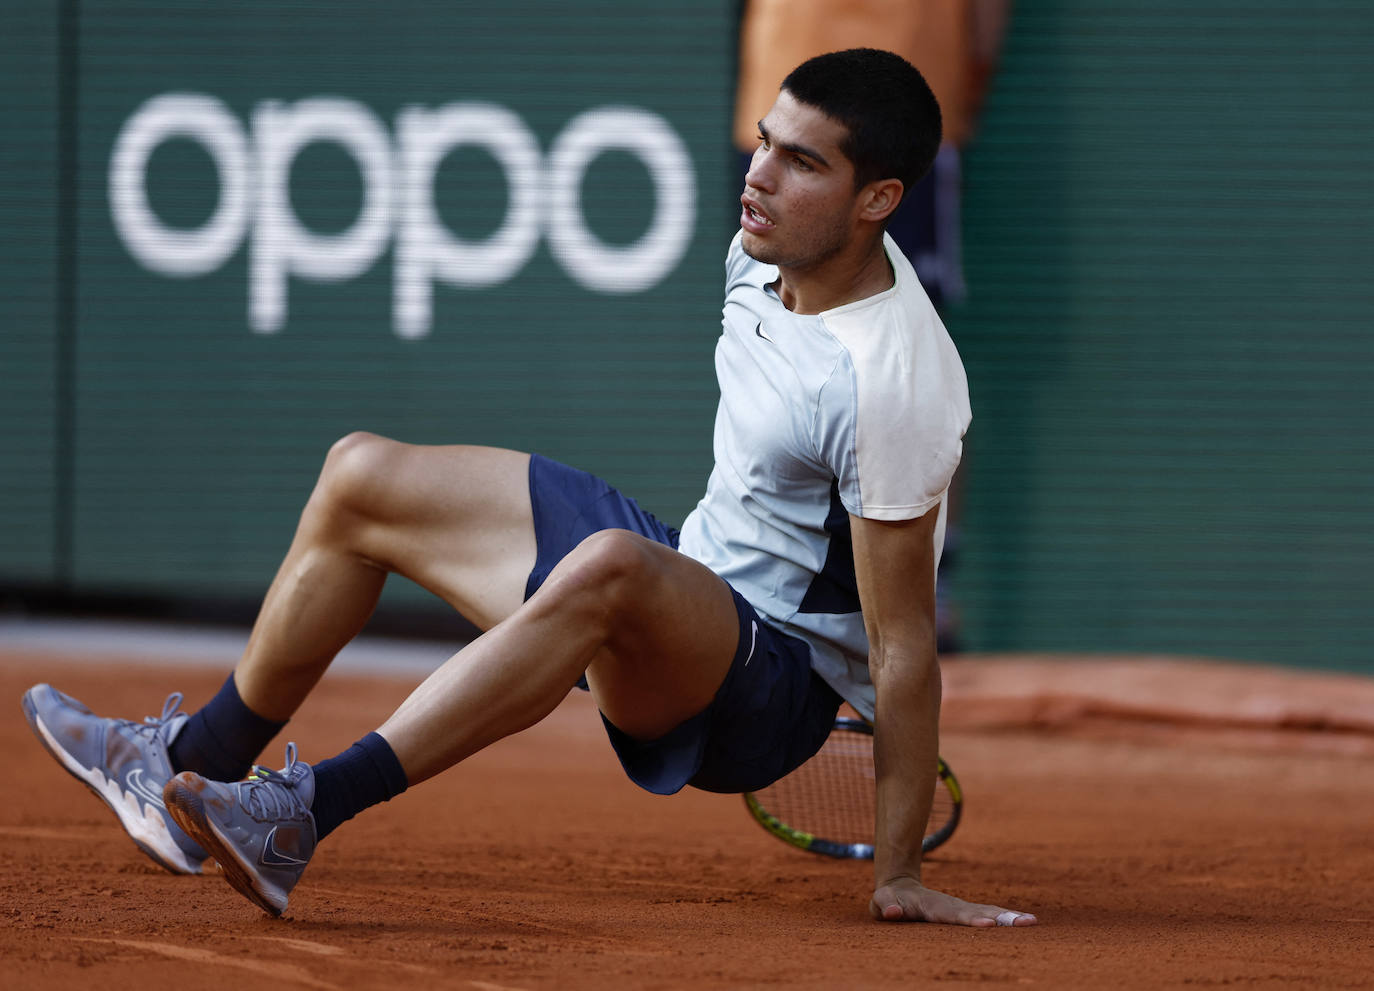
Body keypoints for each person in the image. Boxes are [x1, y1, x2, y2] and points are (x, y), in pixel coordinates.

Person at [22, 49, 1036, 928]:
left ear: (879, 201)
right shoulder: (762, 246)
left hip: (773, 691)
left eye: (802, 162)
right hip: (694, 572)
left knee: (609, 568)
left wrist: (899, 870)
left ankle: (301, 816)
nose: (758, 176)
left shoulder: (894, 378)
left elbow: (903, 646)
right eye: (764, 142)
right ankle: (185, 762)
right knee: (360, 474)